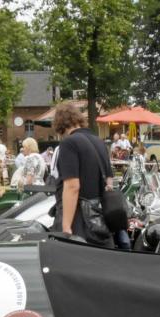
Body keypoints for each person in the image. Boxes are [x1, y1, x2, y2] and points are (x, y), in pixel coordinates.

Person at [48, 101, 112, 246]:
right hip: (100, 222)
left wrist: (66, 227)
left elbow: (72, 186)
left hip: (79, 223)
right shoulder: (99, 142)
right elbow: (109, 182)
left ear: (59, 125)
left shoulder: (69, 143)